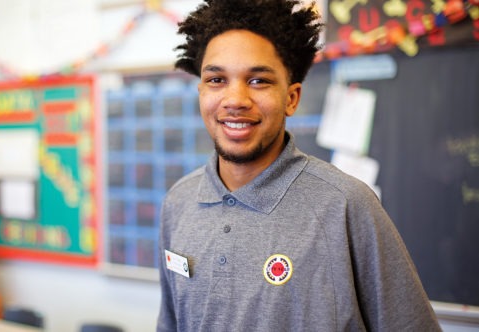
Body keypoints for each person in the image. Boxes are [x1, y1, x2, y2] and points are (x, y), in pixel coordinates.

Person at [157, 0, 441, 331]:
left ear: (291, 98)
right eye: (216, 80)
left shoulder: (345, 205)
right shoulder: (178, 203)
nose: (234, 100)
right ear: (201, 91)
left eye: (258, 80)